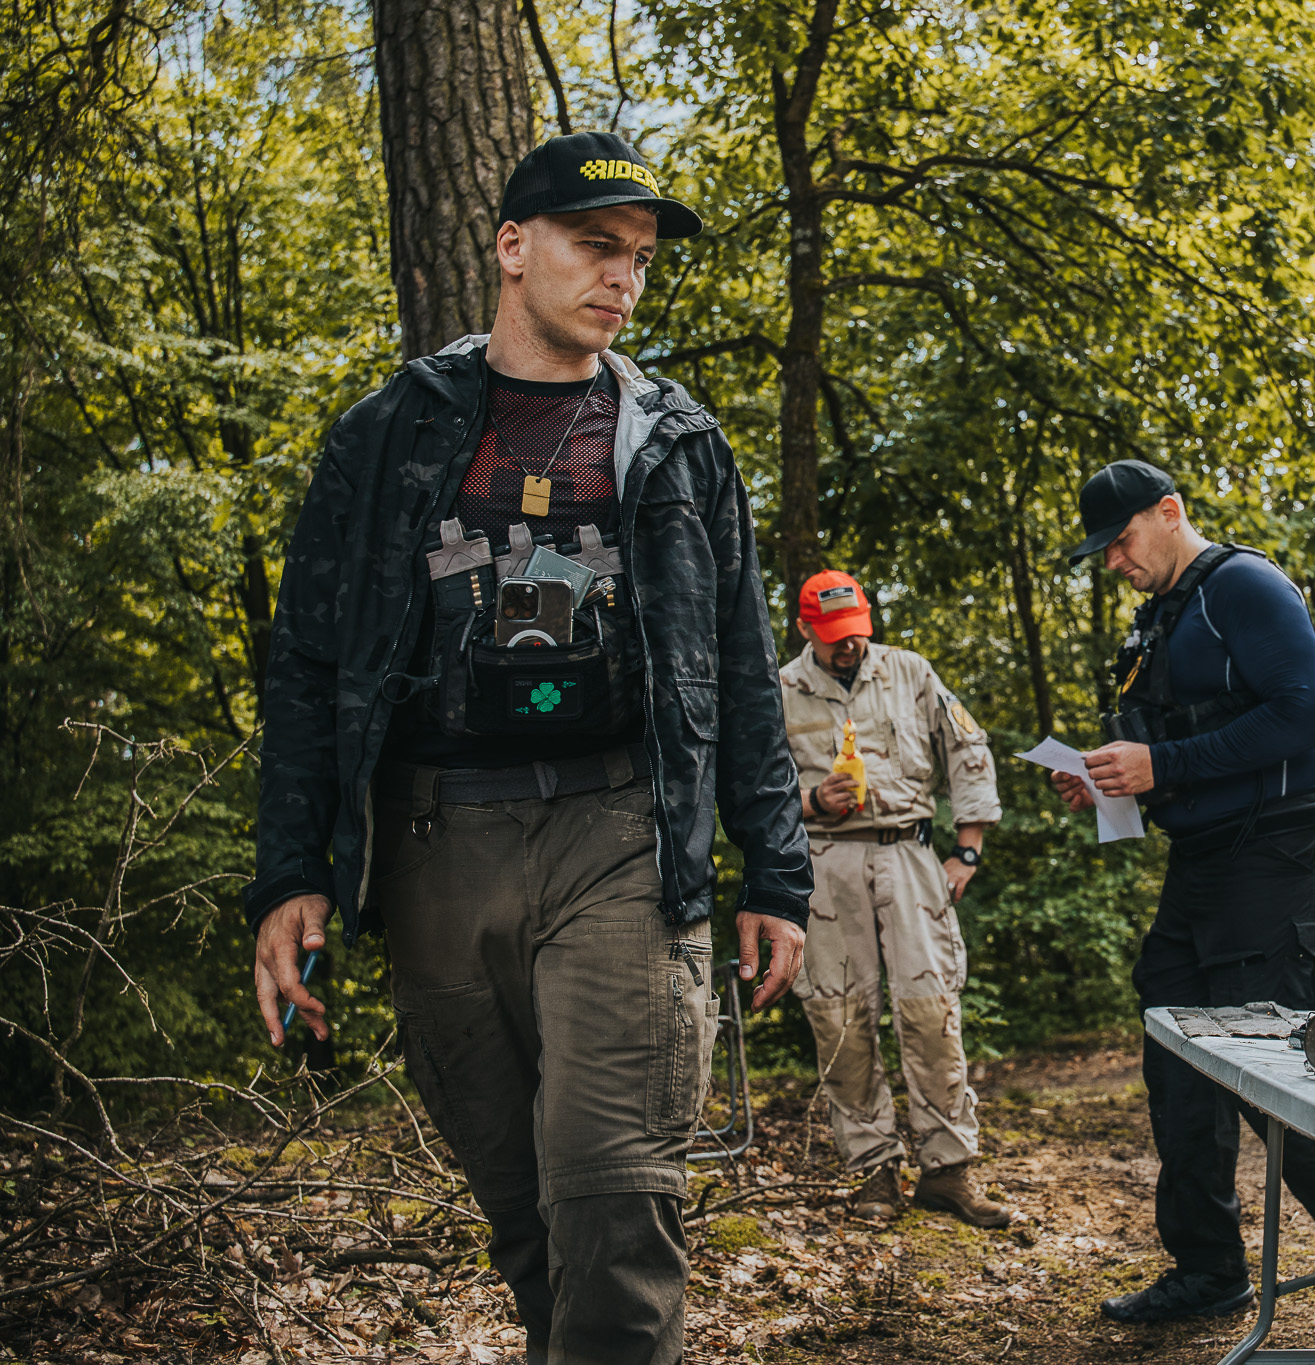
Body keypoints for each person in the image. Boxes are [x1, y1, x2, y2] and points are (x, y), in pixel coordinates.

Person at [245, 131, 811, 1365]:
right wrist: (291, 870)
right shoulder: (388, 434)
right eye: (596, 246)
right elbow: (310, 664)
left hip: (620, 835)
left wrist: (776, 872)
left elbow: (738, 665)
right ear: (512, 246)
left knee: (613, 1199)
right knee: (523, 1213)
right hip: (435, 843)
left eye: (641, 258)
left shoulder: (678, 441)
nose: (623, 277)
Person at [1053, 461, 1315, 1348]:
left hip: (1275, 855)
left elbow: (1301, 718)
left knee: (1283, 1069)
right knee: (1175, 1055)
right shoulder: (1158, 618)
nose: (1113, 560)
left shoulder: (1246, 587)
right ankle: (1209, 1267)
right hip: (1197, 863)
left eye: (1121, 540)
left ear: (1170, 511)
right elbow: (1179, 737)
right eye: (1102, 550)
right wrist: (1110, 776)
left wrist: (1163, 764)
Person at [779, 570, 1012, 1229]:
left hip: (909, 854)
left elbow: (967, 747)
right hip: (824, 861)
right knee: (839, 1015)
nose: (847, 646)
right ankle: (873, 1170)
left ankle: (948, 1169)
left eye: (854, 632)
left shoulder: (910, 672)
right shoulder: (781, 689)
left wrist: (967, 848)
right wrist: (810, 800)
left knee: (931, 1007)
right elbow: (752, 787)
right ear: (805, 630)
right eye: (832, 636)